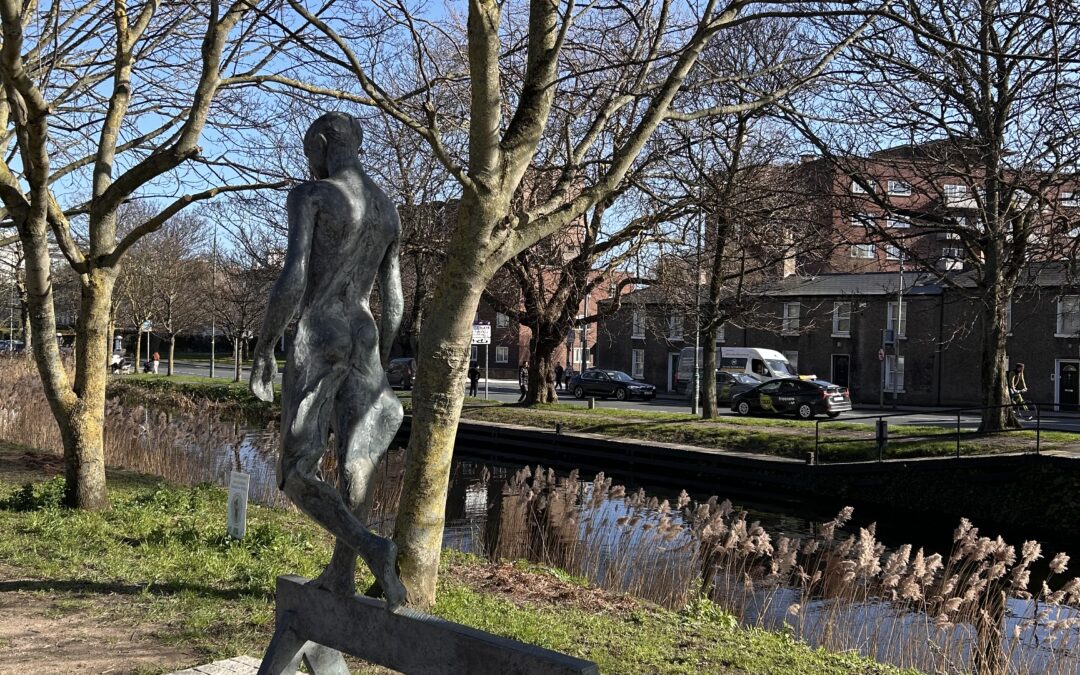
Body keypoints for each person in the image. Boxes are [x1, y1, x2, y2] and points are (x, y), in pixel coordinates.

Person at [249, 111, 406, 610]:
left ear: (320, 142)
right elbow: (395, 300)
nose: (308, 162)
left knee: (295, 472)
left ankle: (369, 548)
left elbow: (294, 277)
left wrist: (264, 348)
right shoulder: (387, 210)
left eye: (307, 152)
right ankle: (340, 574)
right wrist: (381, 357)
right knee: (357, 456)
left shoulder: (313, 195)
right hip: (365, 331)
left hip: (321, 332)